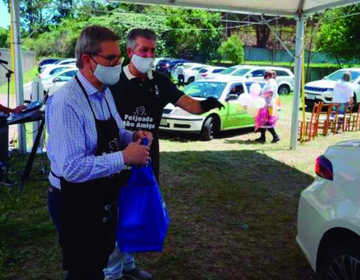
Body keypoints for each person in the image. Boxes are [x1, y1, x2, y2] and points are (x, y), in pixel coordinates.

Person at [106, 28, 225, 280]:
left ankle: (128, 265)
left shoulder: (159, 81)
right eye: (143, 50)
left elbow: (189, 104)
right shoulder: (114, 80)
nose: (149, 55)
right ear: (130, 52)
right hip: (119, 157)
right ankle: (111, 273)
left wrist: (209, 104)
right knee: (118, 214)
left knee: (138, 211)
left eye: (152, 50)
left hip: (147, 159)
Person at [45, 25, 153, 280]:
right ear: (87, 60)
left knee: (100, 256)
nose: (118, 64)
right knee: (84, 267)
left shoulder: (104, 93)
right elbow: (72, 169)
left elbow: (116, 130)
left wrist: (133, 136)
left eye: (119, 58)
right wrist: (125, 157)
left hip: (100, 192)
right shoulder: (66, 103)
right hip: (73, 198)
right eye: (111, 59)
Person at [254, 70, 280, 143]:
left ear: (267, 75)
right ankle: (263, 137)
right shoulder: (270, 81)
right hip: (267, 103)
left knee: (267, 121)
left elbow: (270, 92)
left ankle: (275, 136)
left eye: (265, 75)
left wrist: (261, 96)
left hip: (268, 104)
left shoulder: (271, 81)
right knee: (263, 121)